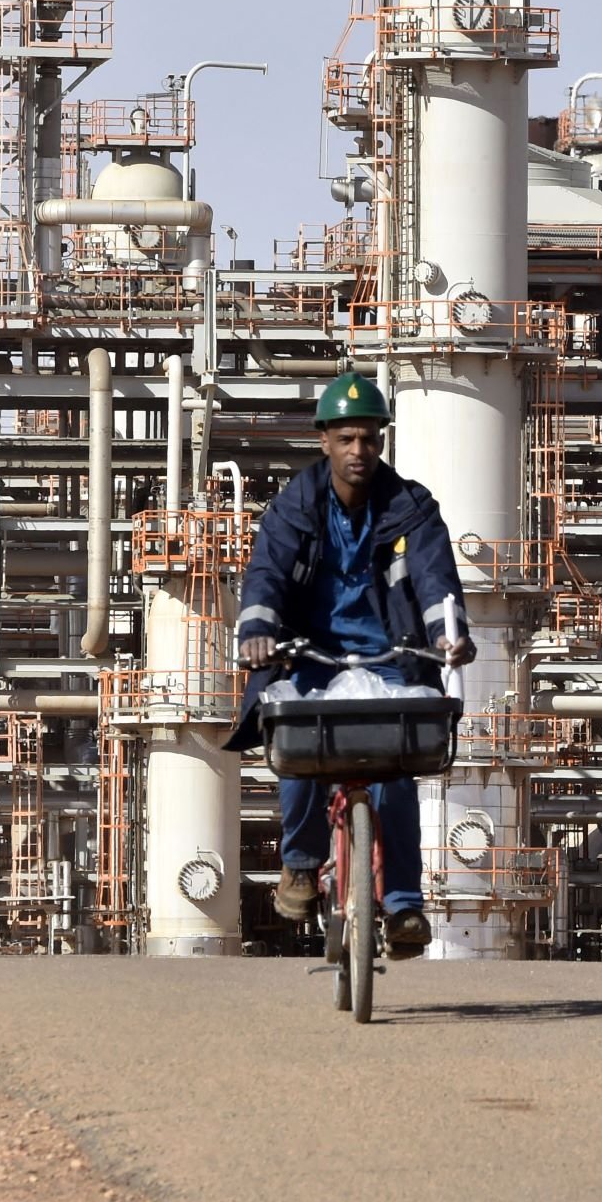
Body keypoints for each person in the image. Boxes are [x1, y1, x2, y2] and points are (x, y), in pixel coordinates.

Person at [231, 372, 474, 958]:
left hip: (393, 657)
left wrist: (450, 635)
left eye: (368, 438)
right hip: (309, 654)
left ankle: (403, 906)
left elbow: (436, 577)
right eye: (346, 439)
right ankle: (300, 866)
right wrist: (259, 631)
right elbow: (266, 573)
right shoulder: (294, 507)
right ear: (324, 442)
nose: (358, 451)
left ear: (382, 441)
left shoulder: (411, 508)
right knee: (298, 753)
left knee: (394, 772)